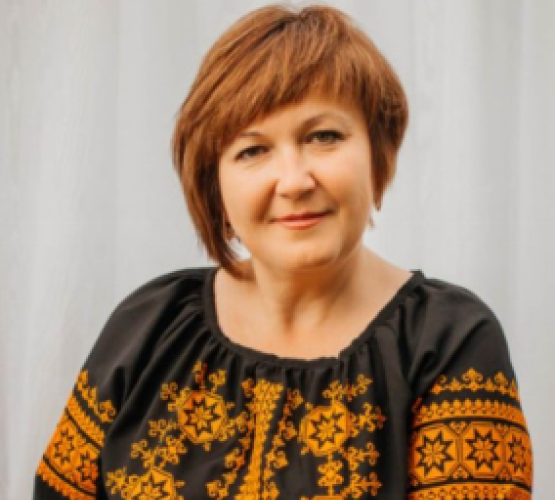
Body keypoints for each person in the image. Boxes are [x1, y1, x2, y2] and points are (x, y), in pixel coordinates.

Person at [34, 4, 533, 500]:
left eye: (324, 137)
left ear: (378, 155)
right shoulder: (150, 325)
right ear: (215, 187)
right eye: (252, 150)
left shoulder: (448, 341)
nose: (294, 182)